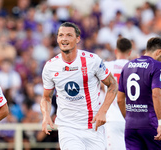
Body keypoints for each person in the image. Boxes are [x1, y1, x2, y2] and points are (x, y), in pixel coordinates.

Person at [41, 22, 118, 150]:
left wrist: (103, 111)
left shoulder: (93, 60)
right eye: (61, 35)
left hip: (94, 126)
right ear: (57, 39)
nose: (64, 38)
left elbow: (113, 85)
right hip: (68, 127)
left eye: (69, 35)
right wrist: (45, 115)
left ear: (77, 39)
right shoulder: (50, 66)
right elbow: (46, 97)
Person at [117, 37, 161, 150]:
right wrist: (160, 123)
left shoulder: (127, 66)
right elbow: (156, 94)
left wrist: (128, 118)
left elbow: (119, 99)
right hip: (150, 123)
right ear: (159, 52)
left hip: (130, 125)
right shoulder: (157, 65)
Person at [104, 37, 132, 150]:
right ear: (130, 52)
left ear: (116, 51)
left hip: (113, 116)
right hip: (131, 117)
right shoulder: (135, 67)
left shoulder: (106, 66)